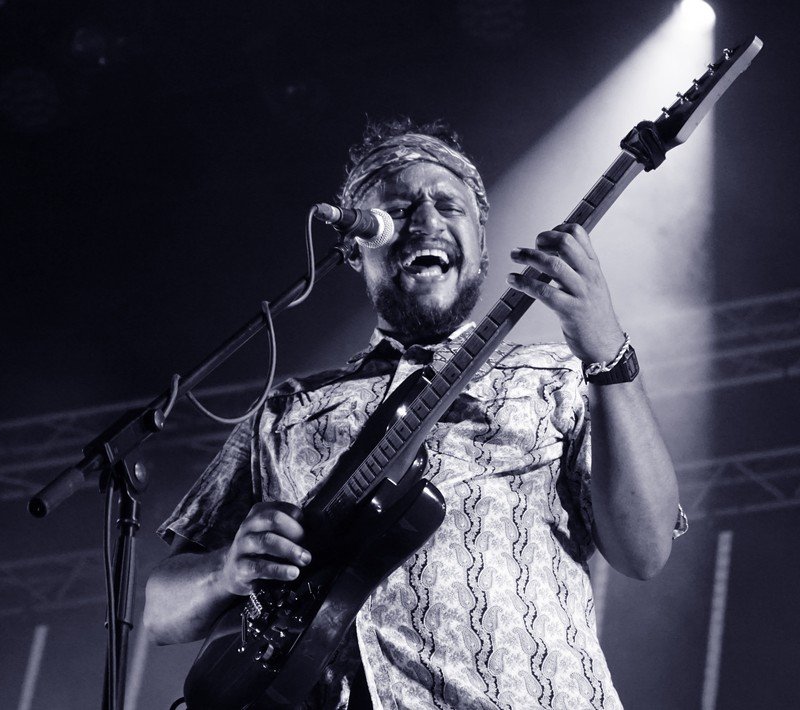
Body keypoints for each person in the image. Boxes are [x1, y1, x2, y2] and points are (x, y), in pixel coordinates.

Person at [144, 118, 686, 709]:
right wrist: (225, 570)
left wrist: (608, 354)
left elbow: (645, 550)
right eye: (398, 210)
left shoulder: (557, 376)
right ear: (356, 249)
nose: (426, 222)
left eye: (448, 206)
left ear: (481, 243)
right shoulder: (286, 409)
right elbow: (160, 613)